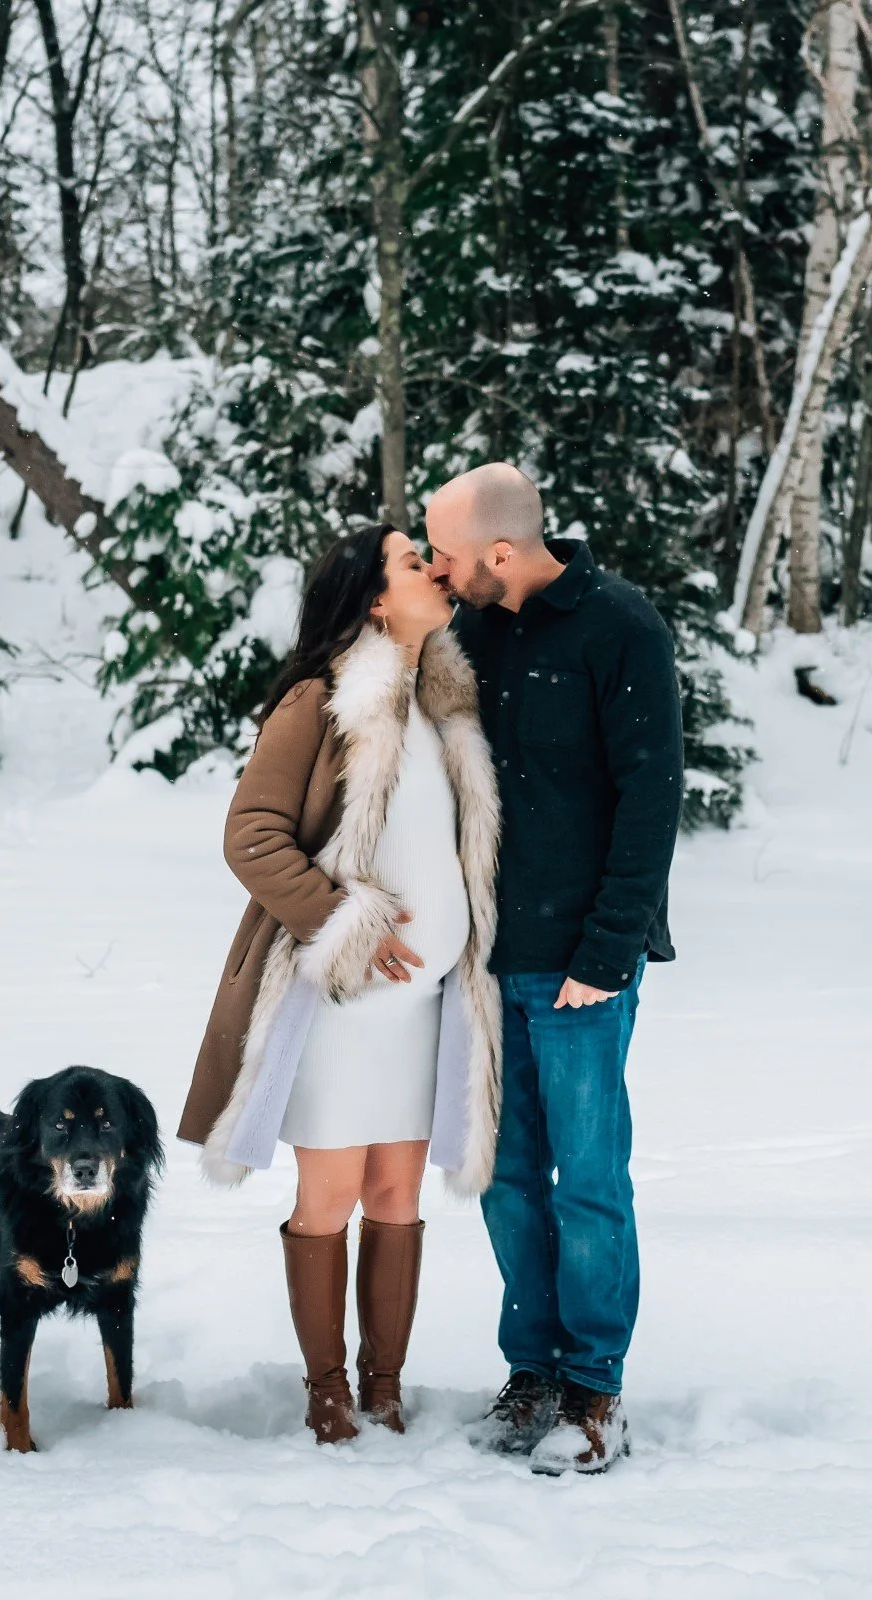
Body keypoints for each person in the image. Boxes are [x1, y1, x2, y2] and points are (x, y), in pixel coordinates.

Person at [178, 525, 504, 1445]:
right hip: (338, 1001)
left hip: (426, 1008)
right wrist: (347, 925)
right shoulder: (318, 705)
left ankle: (384, 1386)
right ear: (370, 597)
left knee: (397, 1196)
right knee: (328, 1194)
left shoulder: (447, 712)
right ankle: (327, 1391)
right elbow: (252, 838)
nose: (436, 571)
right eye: (413, 563)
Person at [424, 462, 684, 1476]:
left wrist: (608, 952)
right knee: (509, 1180)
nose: (439, 570)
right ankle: (529, 1371)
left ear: (499, 550)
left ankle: (593, 1391)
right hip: (486, 961)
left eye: (448, 553)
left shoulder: (622, 628)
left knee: (589, 1185)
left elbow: (651, 797)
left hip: (582, 965)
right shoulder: (471, 632)